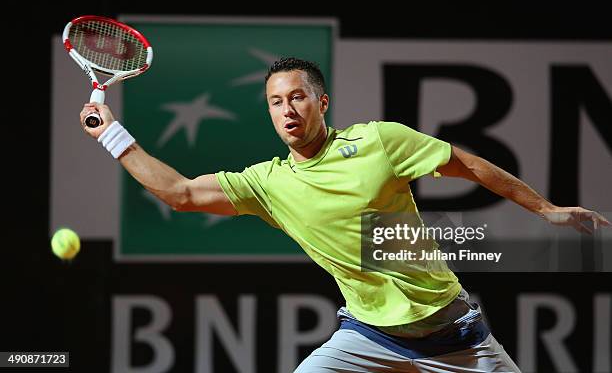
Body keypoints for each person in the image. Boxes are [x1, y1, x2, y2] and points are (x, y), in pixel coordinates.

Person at [80, 57, 609, 372]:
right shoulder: (269, 183)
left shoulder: (380, 141)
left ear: (322, 102)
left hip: (456, 335)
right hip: (368, 337)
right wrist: (110, 135)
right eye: (275, 102)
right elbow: (180, 192)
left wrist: (546, 209)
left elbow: (467, 163)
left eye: (298, 98)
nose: (287, 111)